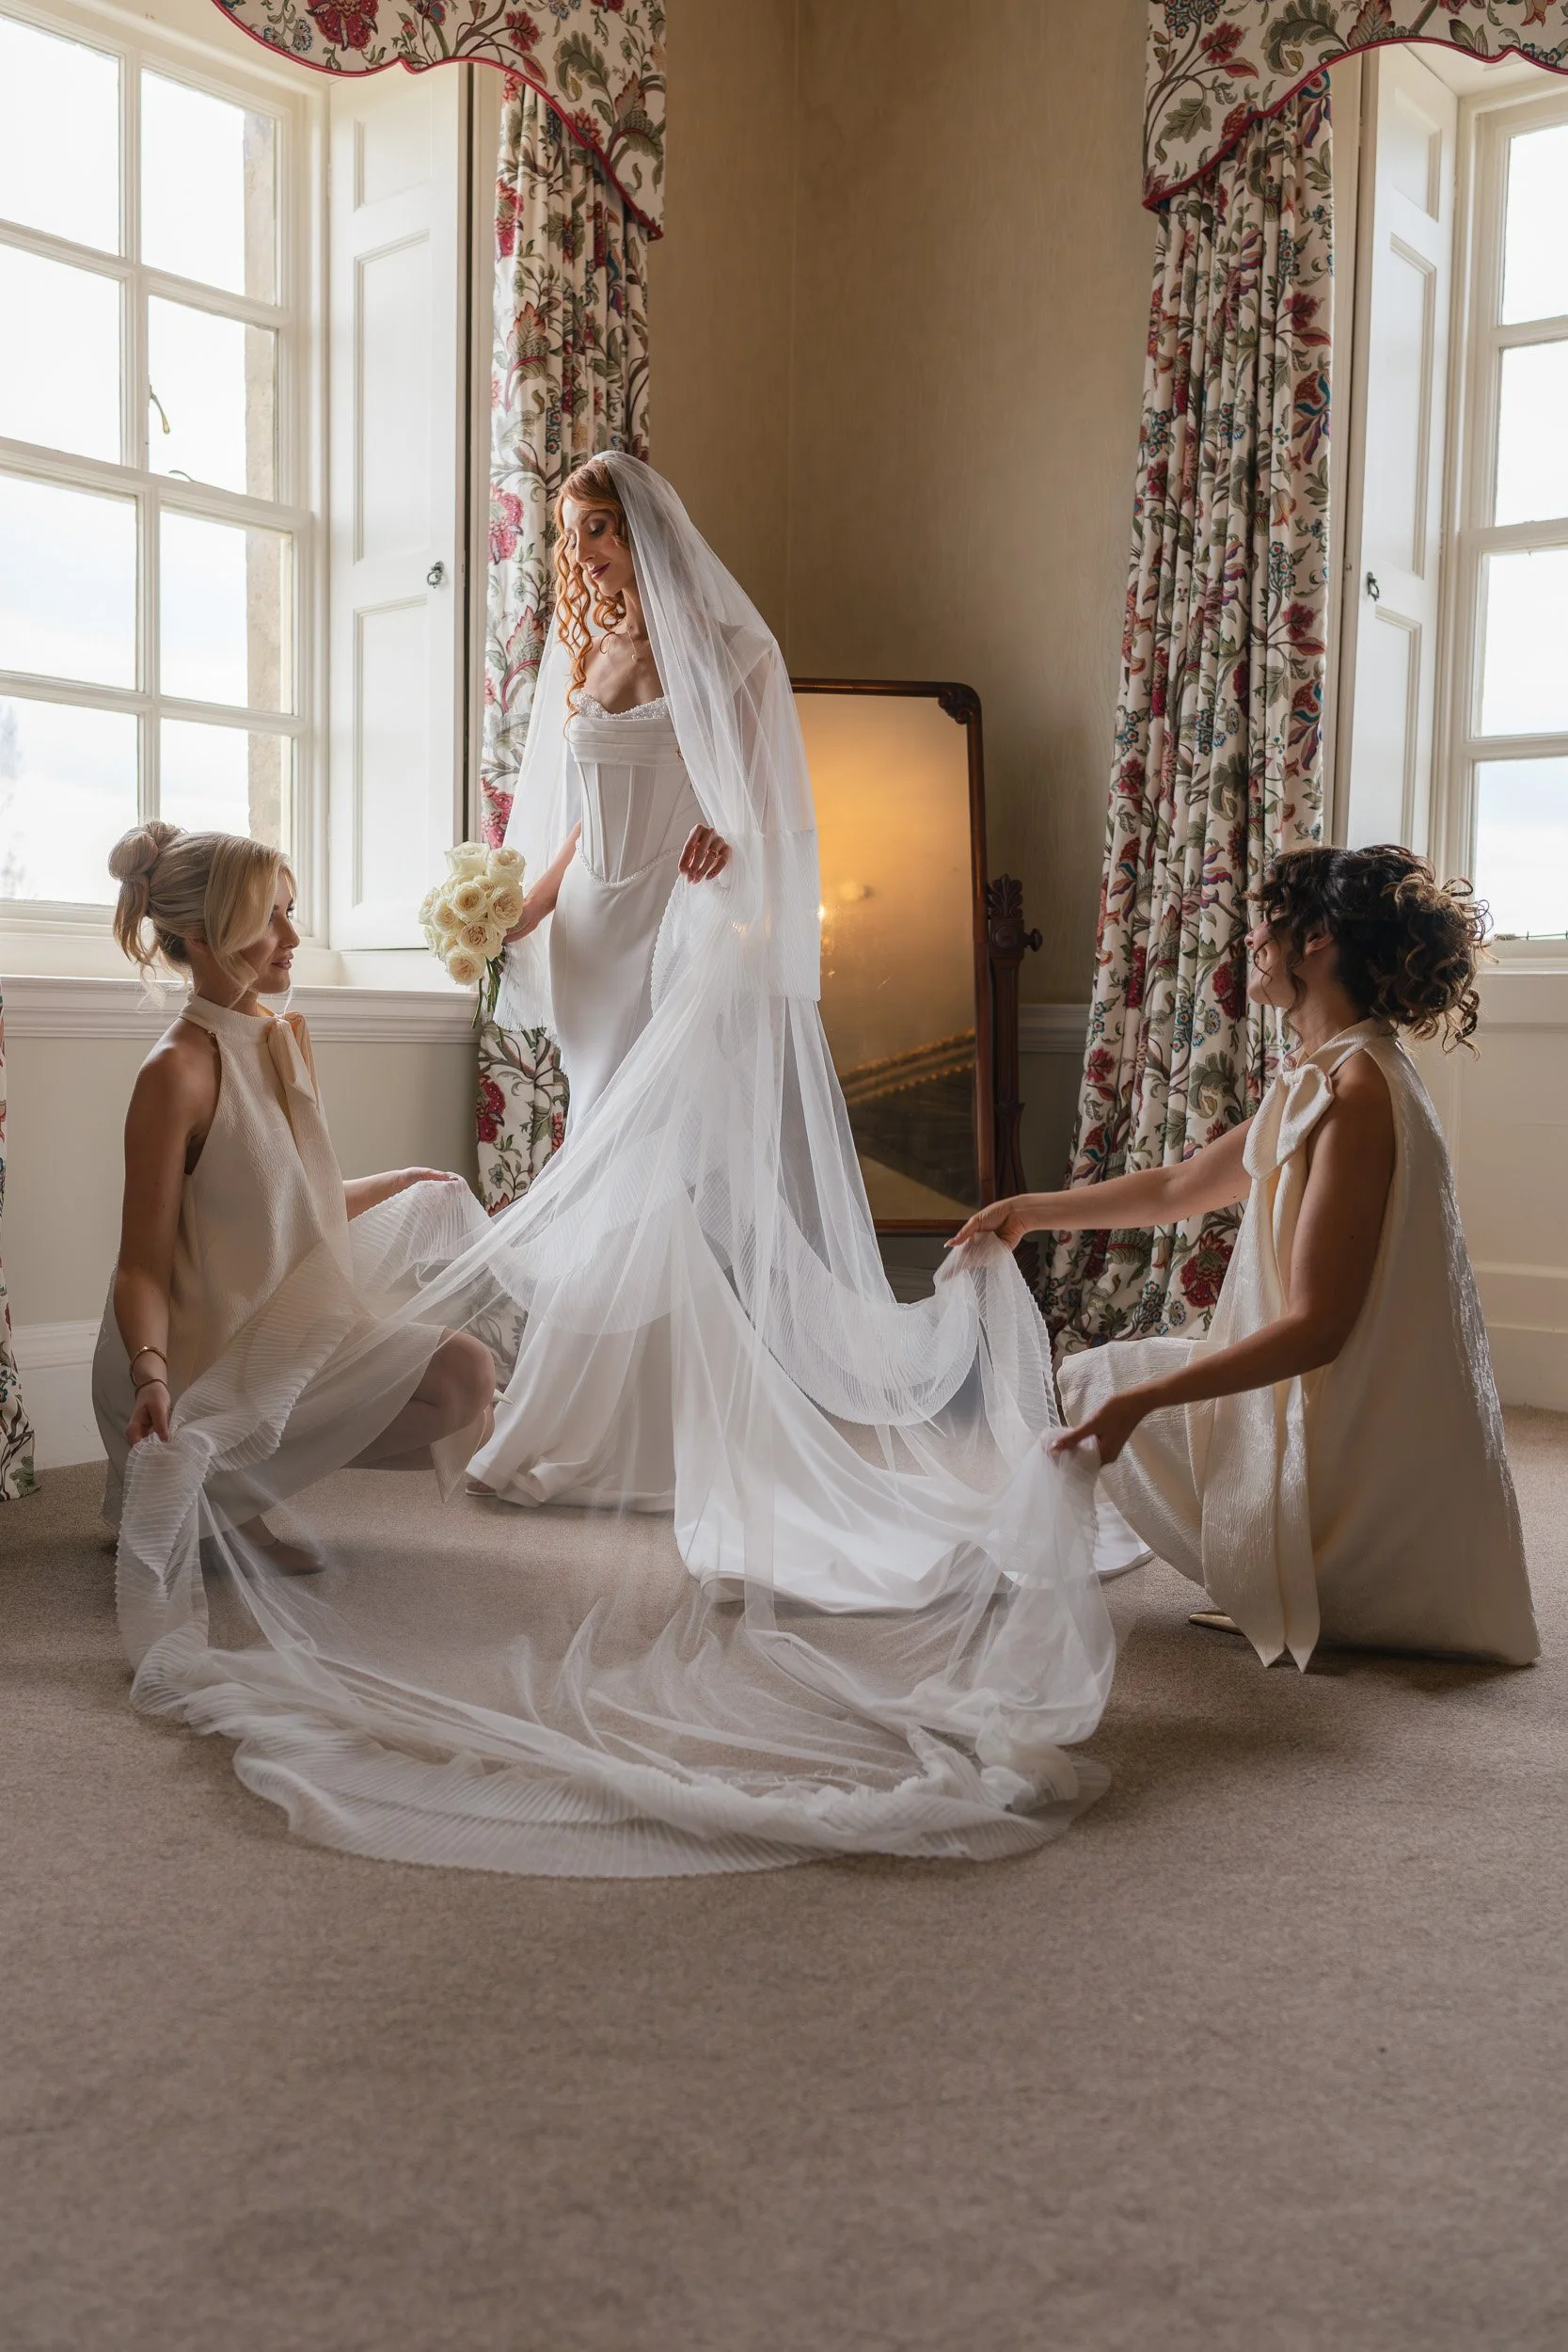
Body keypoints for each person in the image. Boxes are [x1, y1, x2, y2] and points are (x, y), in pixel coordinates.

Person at [103, 457, 1119, 1879]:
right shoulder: (574, 647)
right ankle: (571, 1429)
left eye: (605, 528)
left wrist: (734, 844)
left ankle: (664, 1432)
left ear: (649, 531)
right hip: (585, 927)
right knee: (604, 1151)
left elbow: (773, 812)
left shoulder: (728, 648)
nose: (586, 552)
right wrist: (503, 912)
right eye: (574, 531)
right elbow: (566, 816)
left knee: (673, 1179)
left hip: (679, 925)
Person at [952, 844, 1540, 1670]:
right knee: (1102, 1377)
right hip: (1344, 1417)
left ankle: (1323, 1579)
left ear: (1318, 938)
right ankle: (1281, 1561)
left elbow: (1314, 1331)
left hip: (1357, 1468)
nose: (1252, 939)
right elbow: (1178, 1189)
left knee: (1108, 1387)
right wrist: (1027, 1211)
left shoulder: (1360, 1090)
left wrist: (1140, 1406)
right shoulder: (1330, 1070)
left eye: (1269, 921)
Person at [93, 823, 496, 1563]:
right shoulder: (174, 1072)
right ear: (205, 935)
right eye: (270, 916)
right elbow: (141, 1266)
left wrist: (395, 1183)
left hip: (277, 1329)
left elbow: (278, 1204)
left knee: (468, 1382)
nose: (292, 934)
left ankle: (228, 1491)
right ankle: (201, 1481)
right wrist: (149, 1374)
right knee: (460, 1377)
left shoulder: (276, 1034)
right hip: (194, 1357)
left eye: (291, 909)